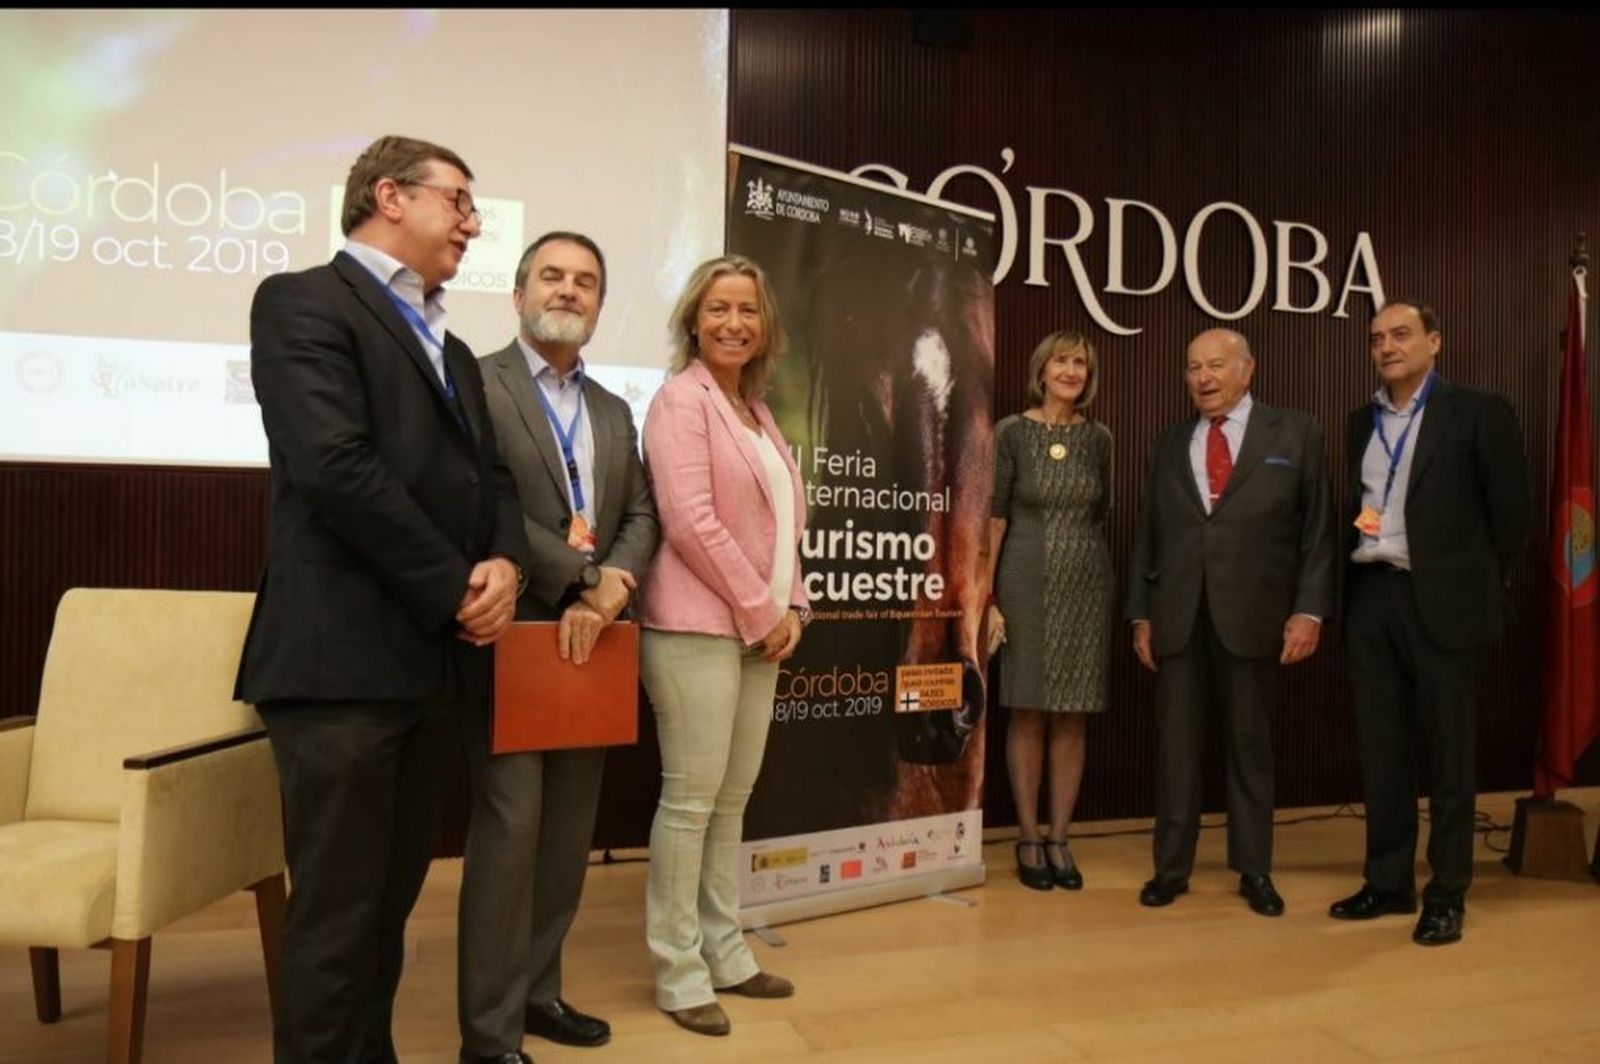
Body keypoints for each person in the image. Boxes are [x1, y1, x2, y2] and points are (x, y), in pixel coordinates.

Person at [234, 135, 529, 1064]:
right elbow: (334, 466)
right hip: (339, 667)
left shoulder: (450, 344)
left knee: (390, 908)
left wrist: (507, 567)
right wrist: (455, 587)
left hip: (428, 667)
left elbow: (495, 480)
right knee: (335, 917)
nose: (474, 225)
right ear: (390, 196)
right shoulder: (302, 301)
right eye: (461, 203)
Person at [459, 232, 659, 1059]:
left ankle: (540, 994)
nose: (569, 291)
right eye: (552, 276)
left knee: (569, 833)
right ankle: (490, 1033)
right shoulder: (475, 381)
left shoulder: (613, 409)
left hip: (595, 644)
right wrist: (580, 580)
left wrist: (613, 585)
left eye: (586, 283)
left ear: (601, 306)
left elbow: (643, 513)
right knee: (510, 836)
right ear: (517, 294)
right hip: (510, 634)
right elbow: (474, 495)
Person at [634, 255, 809, 1037]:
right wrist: (759, 610)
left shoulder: (757, 411)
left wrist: (794, 604)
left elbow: (783, 525)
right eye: (718, 309)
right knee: (691, 803)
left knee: (732, 800)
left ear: (765, 326)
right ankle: (678, 971)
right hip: (695, 630)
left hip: (759, 632)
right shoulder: (681, 400)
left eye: (747, 309)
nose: (733, 322)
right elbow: (690, 521)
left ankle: (727, 952)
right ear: (693, 322)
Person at [1330, 299, 1532, 946]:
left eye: (1401, 334)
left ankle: (1447, 894)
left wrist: (1469, 582)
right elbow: (1365, 507)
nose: (1387, 346)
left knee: (1449, 757)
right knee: (1382, 753)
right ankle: (1388, 883)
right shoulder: (1362, 421)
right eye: (1377, 338)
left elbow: (1512, 518)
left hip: (1443, 603)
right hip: (1372, 598)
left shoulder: (1477, 411)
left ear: (1434, 341)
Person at [1126, 328, 1334, 917]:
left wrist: (1309, 609)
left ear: (1248, 369)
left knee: (1250, 748)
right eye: (1193, 367)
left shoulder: (1295, 432)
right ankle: (1170, 870)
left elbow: (1318, 532)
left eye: (1216, 365)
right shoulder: (1169, 444)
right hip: (1178, 618)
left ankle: (1255, 870)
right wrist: (1140, 614)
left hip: (1257, 618)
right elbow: (1150, 535)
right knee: (1175, 752)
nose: (1203, 378)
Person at [983, 329, 1113, 891]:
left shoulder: (1100, 438)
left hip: (1086, 583)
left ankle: (1061, 837)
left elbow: (1100, 510)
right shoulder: (1011, 433)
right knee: (1029, 710)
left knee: (1073, 713)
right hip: (1023, 581)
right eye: (1062, 360)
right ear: (1042, 370)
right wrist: (987, 598)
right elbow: (993, 518)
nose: (1071, 371)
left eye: (1080, 363)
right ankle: (1028, 836)